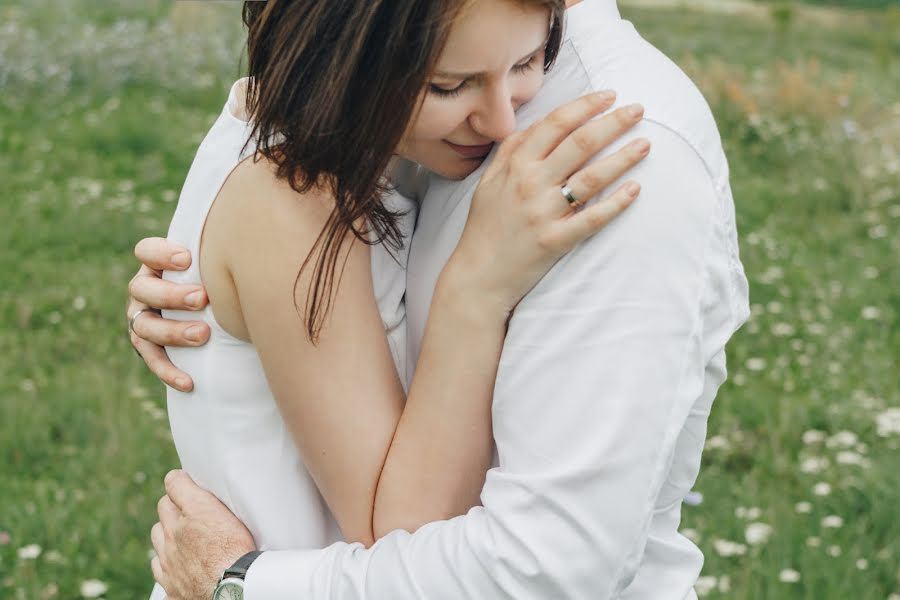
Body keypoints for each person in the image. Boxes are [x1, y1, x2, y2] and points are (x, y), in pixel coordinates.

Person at [129, 0, 750, 598]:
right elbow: (396, 532)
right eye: (448, 86)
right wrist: (475, 289)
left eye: (533, 59)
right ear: (345, 54)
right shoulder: (308, 192)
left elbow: (549, 565)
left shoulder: (615, 147)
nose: (504, 122)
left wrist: (238, 584)